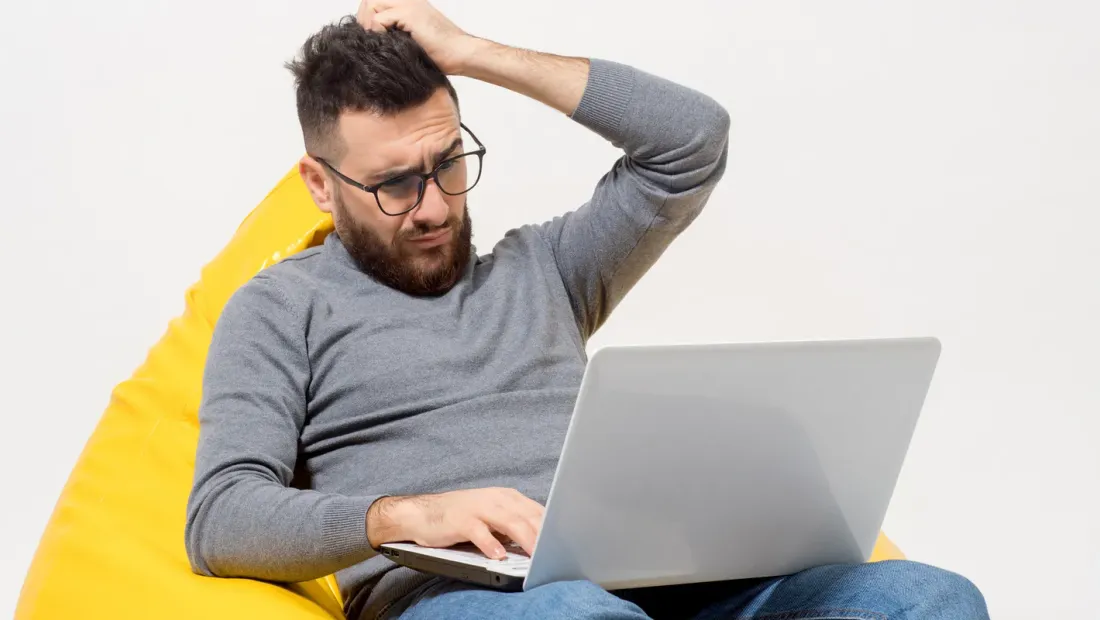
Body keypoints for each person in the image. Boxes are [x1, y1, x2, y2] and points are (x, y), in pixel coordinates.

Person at [185, 1, 989, 618]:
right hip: (466, 598)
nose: (433, 206)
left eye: (449, 162)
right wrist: (409, 518)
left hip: (660, 577)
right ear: (321, 184)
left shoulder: (546, 269)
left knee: (928, 597)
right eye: (395, 183)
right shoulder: (279, 308)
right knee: (580, 614)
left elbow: (691, 144)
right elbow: (220, 519)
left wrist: (472, 53)